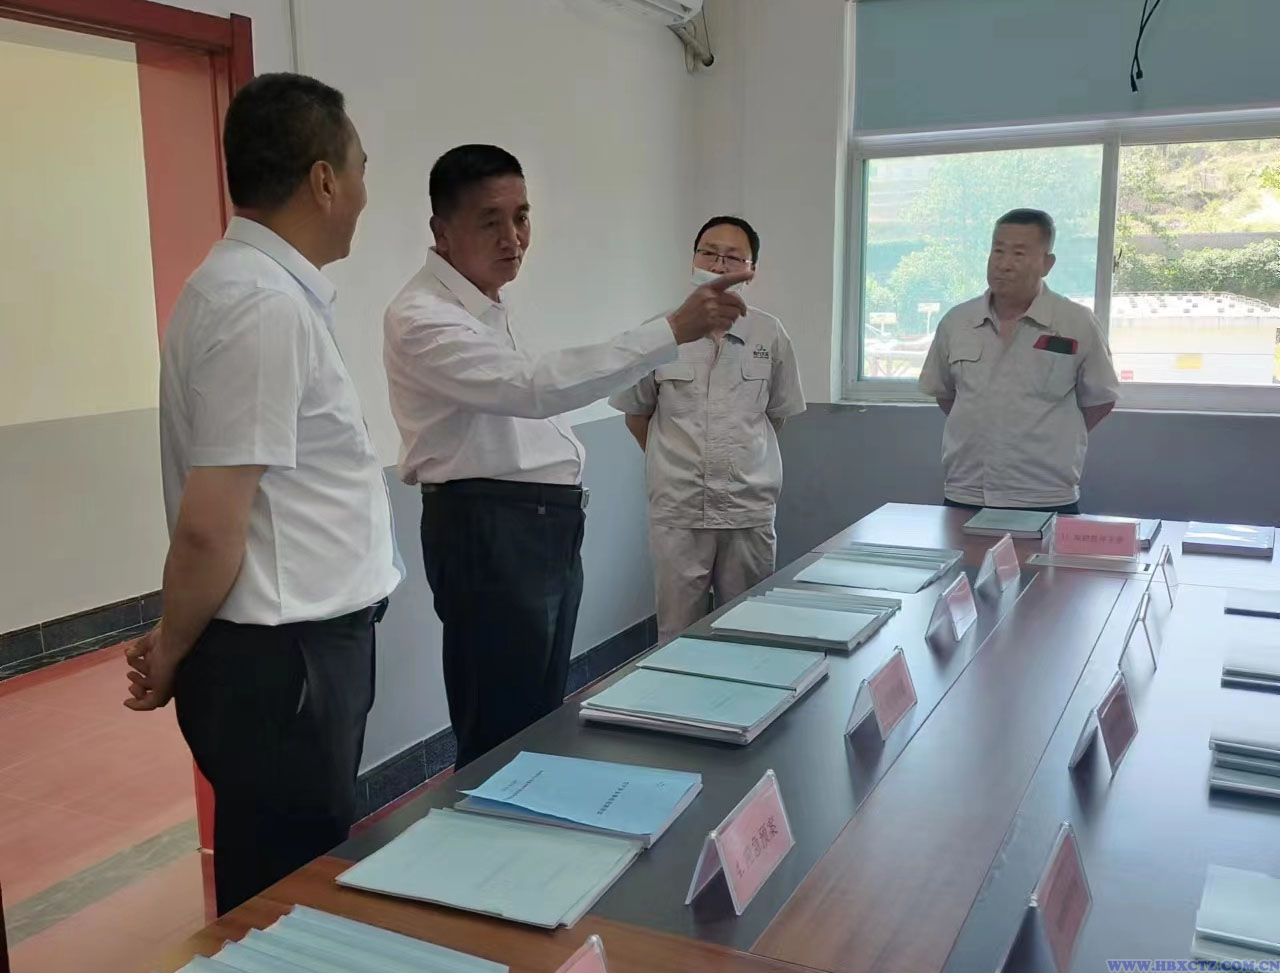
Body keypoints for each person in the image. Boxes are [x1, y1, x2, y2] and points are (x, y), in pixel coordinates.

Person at [124, 73, 403, 915]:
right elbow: (211, 525)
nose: (363, 191)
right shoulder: (259, 305)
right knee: (287, 898)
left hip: (292, 659)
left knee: (281, 882)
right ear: (323, 181)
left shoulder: (254, 291)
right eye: (359, 167)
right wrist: (171, 650)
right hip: (285, 667)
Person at [383, 145, 750, 769]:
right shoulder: (424, 317)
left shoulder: (488, 307)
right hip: (489, 531)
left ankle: (525, 818)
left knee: (535, 716)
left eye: (521, 216)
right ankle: (491, 827)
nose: (513, 238)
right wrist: (670, 330)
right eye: (490, 221)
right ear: (441, 231)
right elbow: (533, 388)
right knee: (501, 729)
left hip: (537, 528)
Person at [609, 216, 805, 643]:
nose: (718, 265)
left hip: (748, 509)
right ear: (692, 260)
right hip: (679, 510)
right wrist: (675, 465)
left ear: (751, 270)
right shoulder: (659, 334)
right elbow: (636, 414)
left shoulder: (770, 334)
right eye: (709, 253)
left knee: (750, 631)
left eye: (733, 258)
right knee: (678, 634)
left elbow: (776, 414)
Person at [917, 208, 1118, 514]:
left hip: (1045, 495)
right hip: (967, 490)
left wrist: (1048, 438)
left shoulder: (1076, 323)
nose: (1004, 264)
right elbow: (947, 395)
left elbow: (1100, 401)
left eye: (1019, 253)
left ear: (1047, 264)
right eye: (997, 250)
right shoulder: (957, 322)